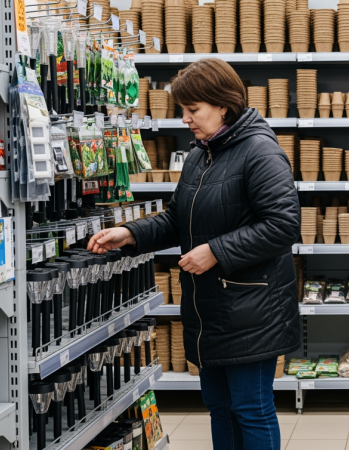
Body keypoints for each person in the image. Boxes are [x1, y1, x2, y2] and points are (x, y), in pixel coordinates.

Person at [87, 58, 300, 450]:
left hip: (252, 308)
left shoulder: (260, 151)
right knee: (219, 406)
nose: (185, 119)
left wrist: (216, 251)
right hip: (211, 308)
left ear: (224, 105)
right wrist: (129, 233)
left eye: (192, 110)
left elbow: (283, 225)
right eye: (182, 110)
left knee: (250, 407)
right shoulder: (202, 155)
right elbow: (178, 218)